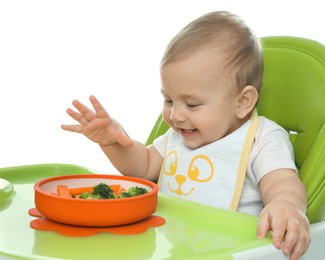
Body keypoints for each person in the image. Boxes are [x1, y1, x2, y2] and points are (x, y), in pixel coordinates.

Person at [61, 11, 310, 259]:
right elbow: (143, 167)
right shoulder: (177, 136)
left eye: (191, 104)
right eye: (169, 100)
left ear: (243, 102)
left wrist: (287, 205)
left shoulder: (261, 138)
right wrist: (113, 142)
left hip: (231, 252)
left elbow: (281, 183)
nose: (176, 115)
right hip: (170, 247)